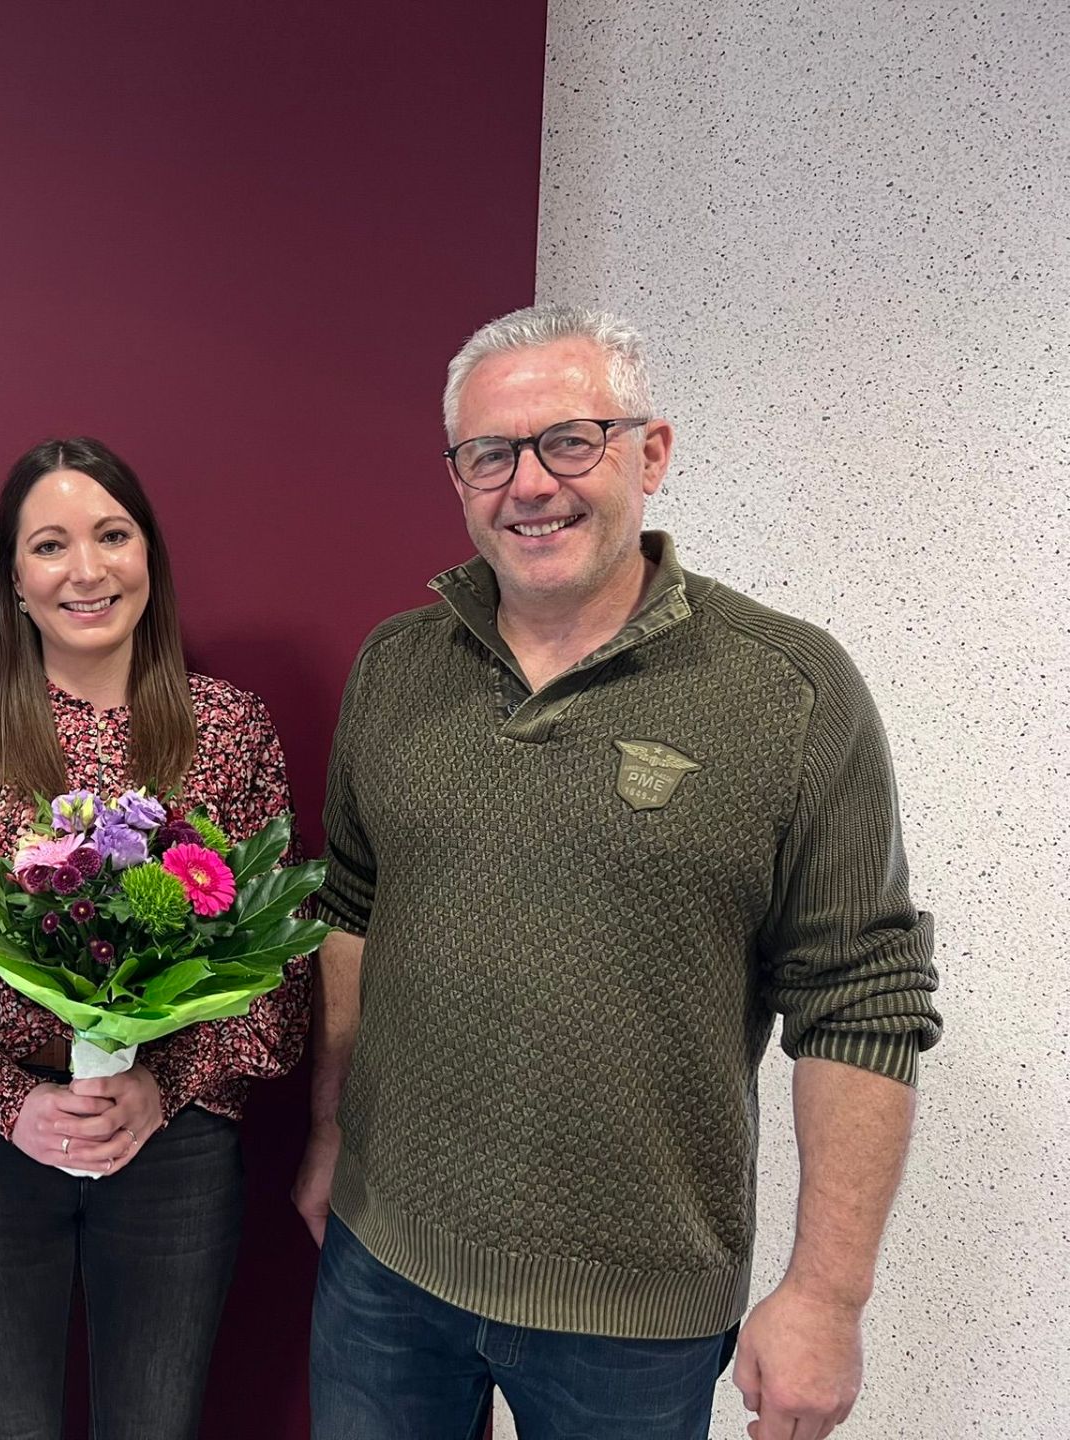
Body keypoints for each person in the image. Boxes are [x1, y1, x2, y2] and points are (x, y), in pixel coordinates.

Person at [297, 305, 942, 1440]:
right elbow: (351, 909)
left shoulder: (789, 692)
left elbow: (863, 1001)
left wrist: (828, 1298)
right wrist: (329, 1137)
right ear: (459, 477)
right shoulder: (397, 667)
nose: (529, 484)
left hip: (631, 1317)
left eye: (571, 439)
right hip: (381, 1267)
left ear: (651, 452)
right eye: (490, 454)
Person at [0, 436, 310, 1439]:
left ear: (151, 558)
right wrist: (10, 1102)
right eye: (50, 545)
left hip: (173, 1147)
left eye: (112, 535)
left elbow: (277, 969)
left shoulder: (227, 729)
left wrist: (163, 1086)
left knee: (157, 1421)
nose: (87, 570)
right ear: (13, 581)